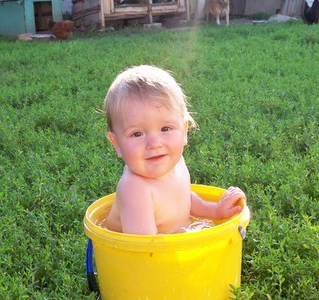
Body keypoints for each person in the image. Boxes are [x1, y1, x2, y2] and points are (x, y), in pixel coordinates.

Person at [103, 65, 246, 235]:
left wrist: (214, 210)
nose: (154, 143)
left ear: (184, 131)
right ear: (117, 144)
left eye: (165, 129)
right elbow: (145, 248)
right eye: (137, 134)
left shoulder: (177, 163)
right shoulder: (134, 189)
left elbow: (184, 198)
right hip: (133, 252)